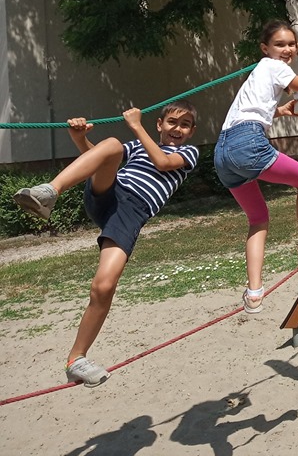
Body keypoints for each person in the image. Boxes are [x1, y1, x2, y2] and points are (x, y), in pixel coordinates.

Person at [13, 102, 200, 387]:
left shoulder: (188, 152)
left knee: (103, 286)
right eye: (172, 122)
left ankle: (76, 360)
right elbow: (100, 160)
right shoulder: (138, 145)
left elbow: (163, 163)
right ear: (160, 125)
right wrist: (80, 140)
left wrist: (137, 125)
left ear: (191, 132)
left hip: (130, 213)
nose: (177, 128)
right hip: (111, 193)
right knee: (112, 144)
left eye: (184, 125)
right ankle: (51, 191)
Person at [215, 20, 298, 315]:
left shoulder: (260, 71)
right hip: (246, 143)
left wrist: (280, 111)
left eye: (292, 45)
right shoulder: (274, 66)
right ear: (265, 48)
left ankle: (254, 292)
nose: (287, 50)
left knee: (258, 218)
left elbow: (250, 109)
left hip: (223, 152)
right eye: (280, 45)